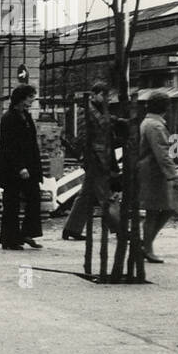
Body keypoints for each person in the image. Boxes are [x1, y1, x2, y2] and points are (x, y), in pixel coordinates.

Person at [138, 90, 178, 263]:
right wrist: (174, 177)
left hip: (152, 171)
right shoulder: (156, 126)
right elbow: (163, 154)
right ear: (165, 107)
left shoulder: (148, 122)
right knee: (157, 211)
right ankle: (146, 247)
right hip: (155, 173)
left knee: (165, 209)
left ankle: (145, 246)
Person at [63, 82, 119, 240]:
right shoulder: (87, 111)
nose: (106, 99)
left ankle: (71, 229)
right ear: (94, 95)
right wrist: (87, 159)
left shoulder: (101, 110)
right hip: (96, 159)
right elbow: (83, 138)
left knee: (86, 196)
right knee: (106, 195)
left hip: (102, 157)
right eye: (103, 95)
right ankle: (120, 228)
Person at [0, 84, 44, 251]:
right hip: (13, 169)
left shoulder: (26, 116)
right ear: (21, 99)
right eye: (30, 97)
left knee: (34, 198)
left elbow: (31, 143)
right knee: (12, 203)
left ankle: (27, 233)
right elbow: (9, 146)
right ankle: (9, 239)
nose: (32, 101)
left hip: (29, 166)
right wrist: (20, 167)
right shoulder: (9, 118)